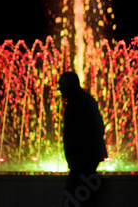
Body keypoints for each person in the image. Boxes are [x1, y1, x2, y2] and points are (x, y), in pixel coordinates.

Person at [59, 72, 108, 207]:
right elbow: (99, 127)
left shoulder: (78, 102)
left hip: (83, 160)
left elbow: (90, 129)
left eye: (61, 85)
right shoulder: (83, 100)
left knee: (74, 198)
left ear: (70, 84)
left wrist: (77, 153)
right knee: (82, 197)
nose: (59, 89)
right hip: (85, 159)